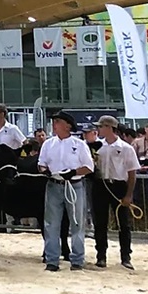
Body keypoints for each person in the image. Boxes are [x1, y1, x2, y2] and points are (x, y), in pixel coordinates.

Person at [36, 111, 93, 271]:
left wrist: (74, 172)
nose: (54, 124)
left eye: (58, 121)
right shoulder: (48, 144)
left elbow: (89, 167)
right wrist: (44, 170)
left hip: (74, 185)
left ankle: (77, 260)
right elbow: (41, 163)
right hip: (54, 184)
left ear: (67, 125)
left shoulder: (79, 144)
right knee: (51, 224)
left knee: (76, 223)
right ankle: (52, 260)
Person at [88, 116, 139, 270]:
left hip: (118, 185)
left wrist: (128, 195)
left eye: (101, 127)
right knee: (100, 222)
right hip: (101, 184)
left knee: (123, 223)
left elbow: (132, 173)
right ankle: (101, 255)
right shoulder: (97, 146)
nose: (99, 129)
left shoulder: (126, 148)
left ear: (110, 128)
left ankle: (125, 256)